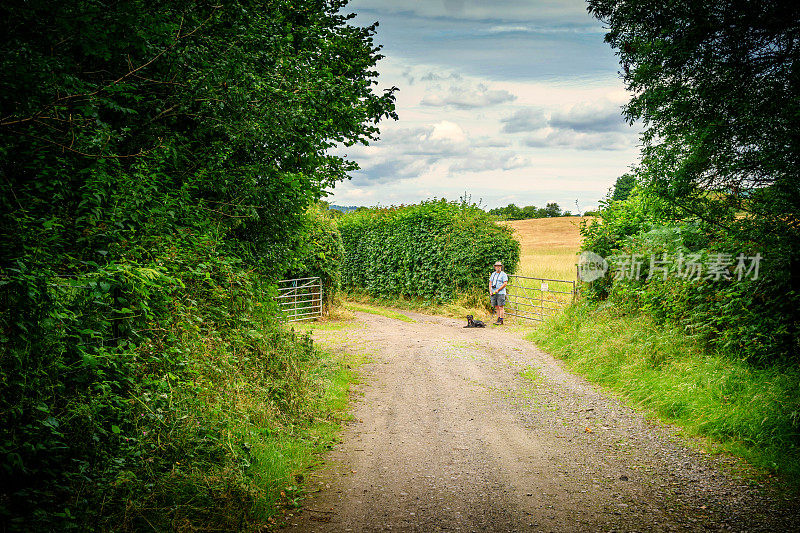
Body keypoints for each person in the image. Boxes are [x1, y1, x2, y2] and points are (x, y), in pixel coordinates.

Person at [489, 260, 508, 325]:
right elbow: (490, 282)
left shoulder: (503, 274)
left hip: (501, 293)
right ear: (494, 267)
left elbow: (505, 283)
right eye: (497, 266)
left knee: (501, 306)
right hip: (494, 292)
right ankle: (498, 318)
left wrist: (498, 289)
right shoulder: (493, 274)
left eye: (499, 266)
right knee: (496, 306)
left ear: (501, 267)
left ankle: (501, 320)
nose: (498, 267)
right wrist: (490, 291)